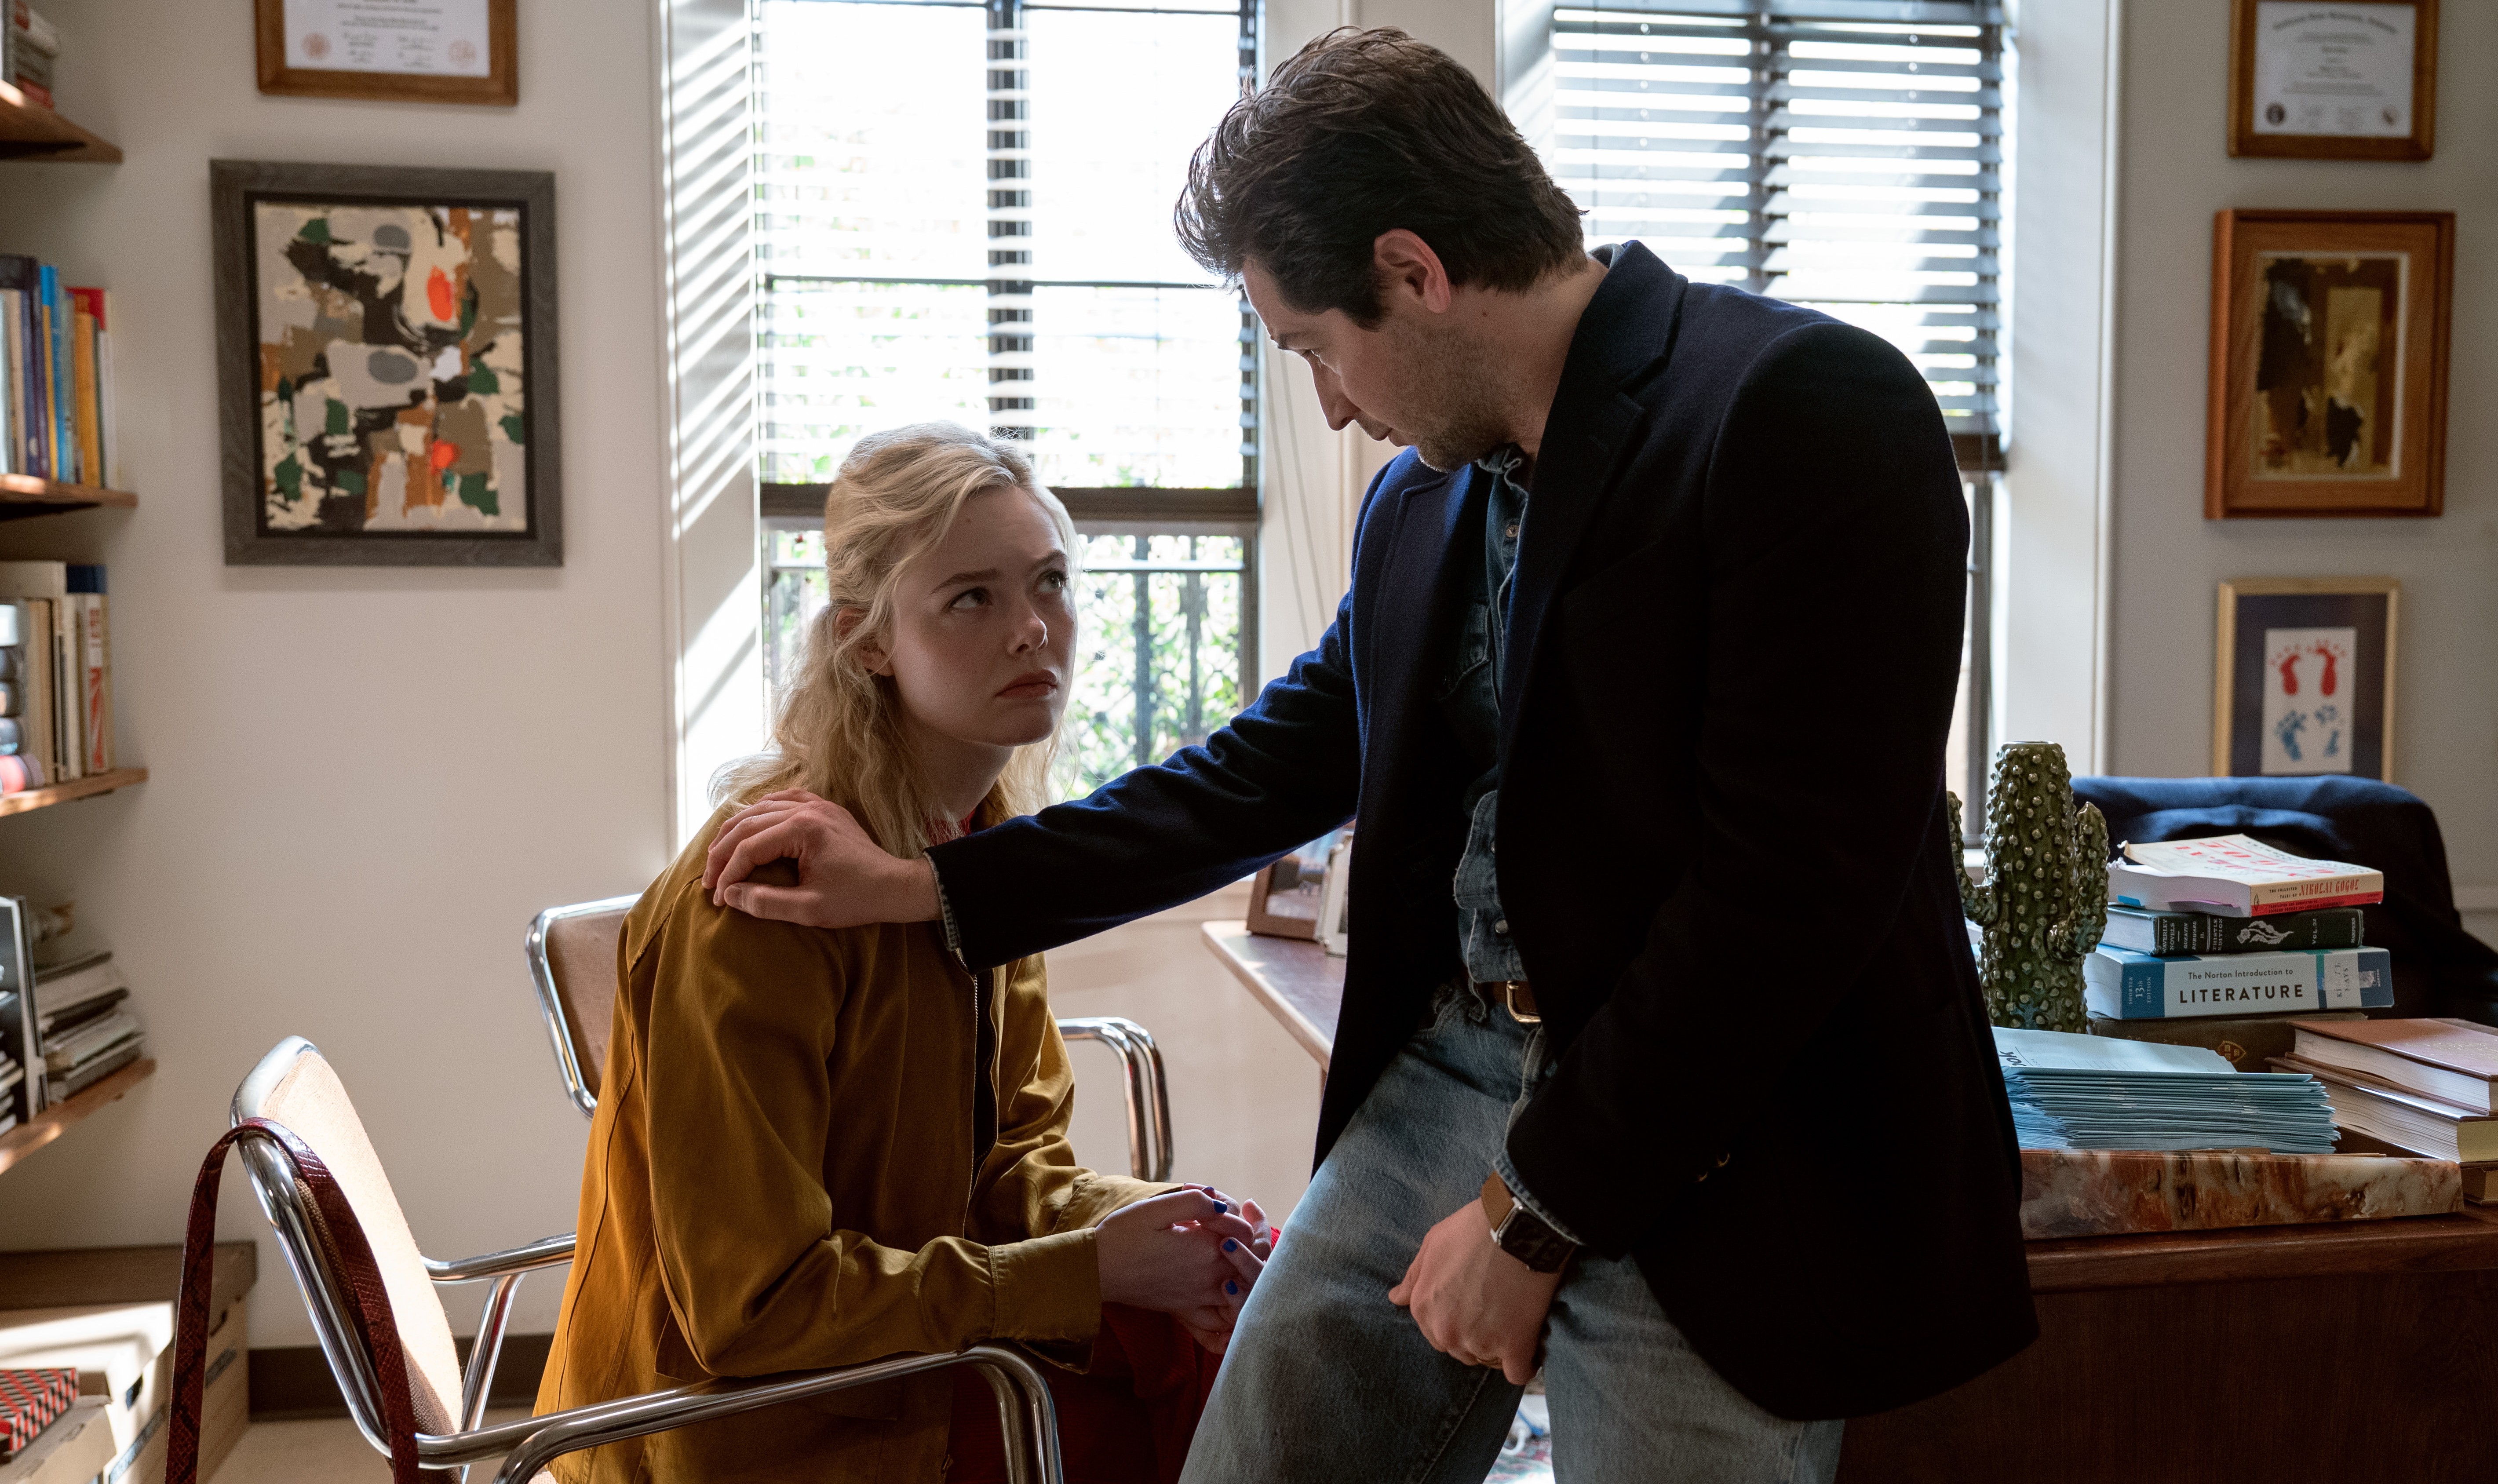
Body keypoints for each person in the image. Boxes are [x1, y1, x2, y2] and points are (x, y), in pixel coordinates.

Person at [700, 29, 2036, 1484]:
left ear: (1413, 271)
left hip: (1728, 1114)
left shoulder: (1804, 408)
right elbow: (1269, 767)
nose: (1331, 400)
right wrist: (934, 889)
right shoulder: (1419, 503)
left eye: (1316, 347)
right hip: (1456, 1065)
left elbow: (1787, 897)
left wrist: (1532, 1214)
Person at [535, 423, 1271, 1484]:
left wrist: (1155, 1229)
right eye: (972, 597)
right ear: (867, 640)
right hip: (766, 1424)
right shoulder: (764, 899)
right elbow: (752, 1309)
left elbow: (1014, 1162)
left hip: (906, 1356)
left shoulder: (984, 854)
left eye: (1051, 581)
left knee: (1248, 1311)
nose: (1033, 628)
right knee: (1236, 1386)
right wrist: (1085, 1270)